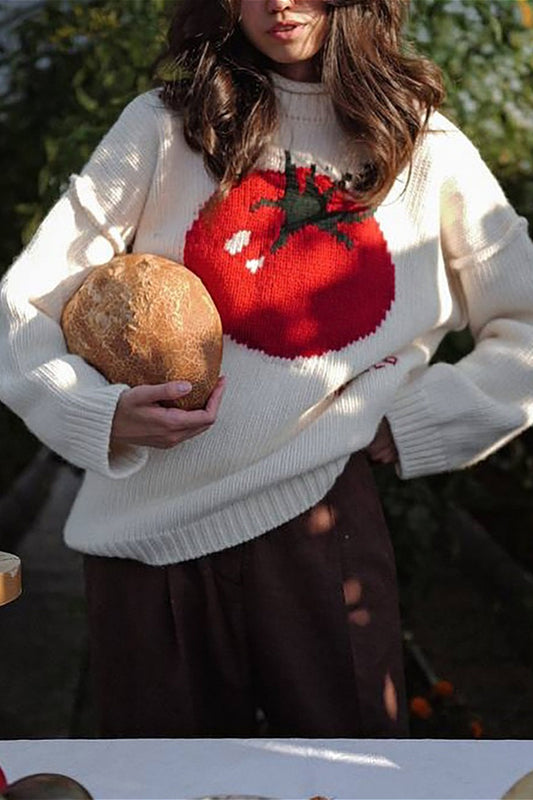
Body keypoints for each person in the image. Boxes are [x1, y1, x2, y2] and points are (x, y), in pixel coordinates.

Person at [1, 0, 532, 739]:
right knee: (165, 789)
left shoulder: (421, 145)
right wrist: (95, 412)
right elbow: (22, 303)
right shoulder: (164, 124)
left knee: (347, 780)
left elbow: (526, 322)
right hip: (146, 541)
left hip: (321, 524)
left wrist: (425, 418)